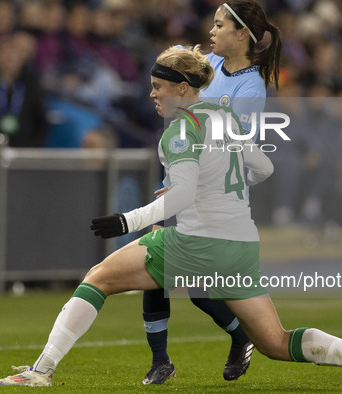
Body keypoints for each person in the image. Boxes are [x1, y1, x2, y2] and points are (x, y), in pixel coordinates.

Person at [0, 45, 342, 392]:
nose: (153, 95)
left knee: (97, 278)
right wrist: (213, 186)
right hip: (241, 246)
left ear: (182, 88)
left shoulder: (179, 130)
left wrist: (127, 222)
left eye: (158, 87)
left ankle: (40, 371)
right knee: (274, 342)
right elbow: (264, 169)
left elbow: (178, 196)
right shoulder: (225, 117)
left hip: (199, 242)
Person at [140, 0, 281, 384]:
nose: (212, 32)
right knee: (160, 273)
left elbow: (238, 150)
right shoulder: (210, 65)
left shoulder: (250, 89)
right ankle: (161, 360)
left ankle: (240, 336)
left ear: (242, 36)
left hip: (217, 197)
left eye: (220, 26)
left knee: (198, 288)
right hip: (184, 177)